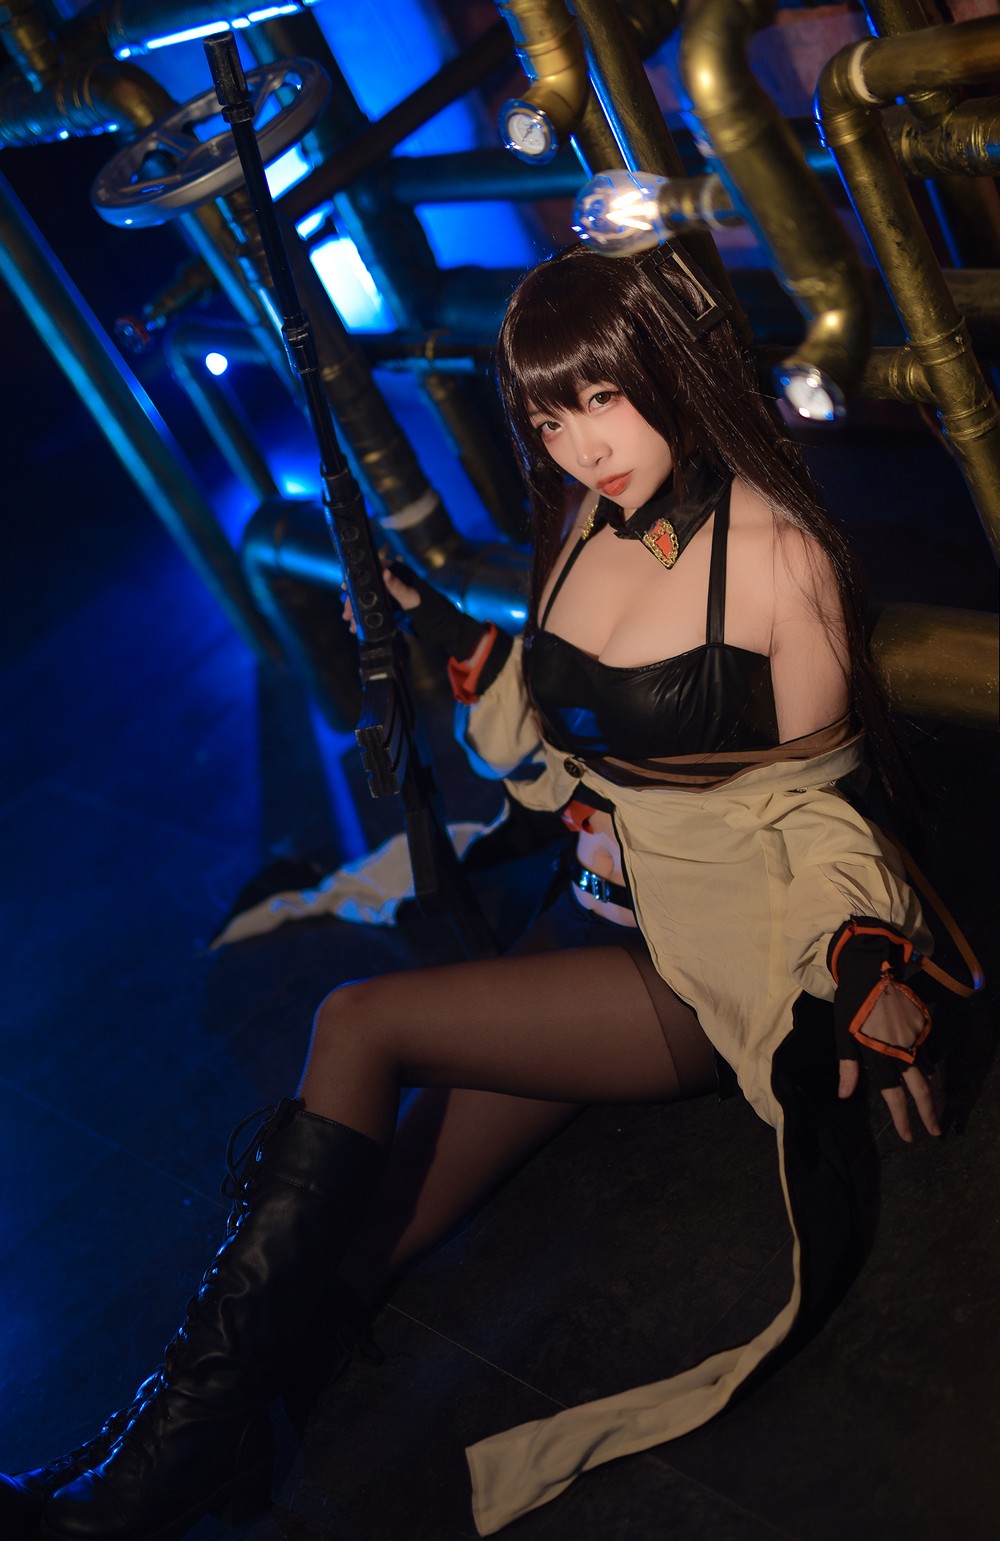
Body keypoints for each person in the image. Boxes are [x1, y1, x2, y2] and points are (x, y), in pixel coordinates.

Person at [2, 243, 964, 1541]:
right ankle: (181, 1441)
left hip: (692, 966)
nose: (581, 445)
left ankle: (138, 1487)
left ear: (672, 371)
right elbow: (567, 729)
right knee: (358, 1237)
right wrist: (447, 634)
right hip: (583, 918)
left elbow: (816, 805)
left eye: (602, 400)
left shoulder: (780, 555)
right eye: (551, 417)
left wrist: (864, 966)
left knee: (359, 1022)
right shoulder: (577, 523)